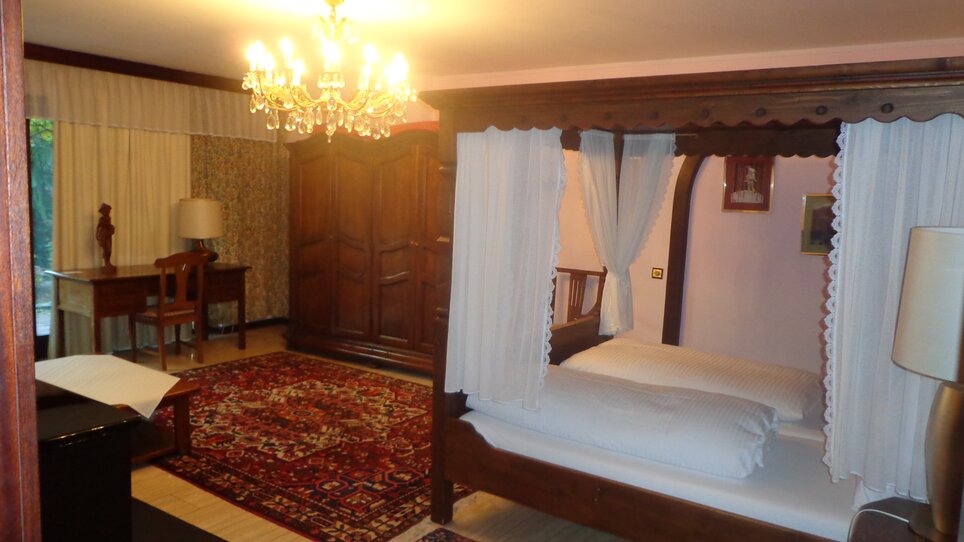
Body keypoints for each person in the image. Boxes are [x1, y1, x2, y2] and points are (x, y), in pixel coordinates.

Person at [96, 203, 116, 272]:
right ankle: (106, 263)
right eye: (107, 210)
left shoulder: (109, 218)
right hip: (104, 236)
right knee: (106, 249)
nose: (108, 212)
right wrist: (97, 235)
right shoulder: (101, 219)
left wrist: (111, 227)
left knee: (109, 249)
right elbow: (98, 227)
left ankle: (108, 262)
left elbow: (109, 225)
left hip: (108, 235)